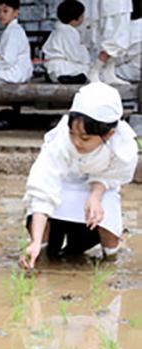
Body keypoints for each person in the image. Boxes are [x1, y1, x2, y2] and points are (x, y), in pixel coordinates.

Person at [19, 83, 138, 269]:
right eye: (72, 133)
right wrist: (34, 242)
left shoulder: (122, 146)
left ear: (109, 134)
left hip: (101, 186)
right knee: (45, 240)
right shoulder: (60, 141)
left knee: (106, 221)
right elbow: (43, 185)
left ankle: (110, 261)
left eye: (85, 138)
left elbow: (114, 176)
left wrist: (96, 194)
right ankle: (40, 254)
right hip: (64, 182)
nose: (76, 142)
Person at [87, 0, 135, 84]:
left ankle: (109, 72)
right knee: (113, 41)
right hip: (113, 7)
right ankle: (94, 70)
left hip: (122, 6)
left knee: (120, 40)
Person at [43, 0, 91, 84]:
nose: (83, 19)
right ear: (74, 20)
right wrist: (84, 50)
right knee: (86, 68)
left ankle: (60, 77)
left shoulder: (57, 30)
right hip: (62, 66)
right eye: (82, 16)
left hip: (52, 67)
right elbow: (74, 55)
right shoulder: (69, 32)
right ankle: (68, 77)